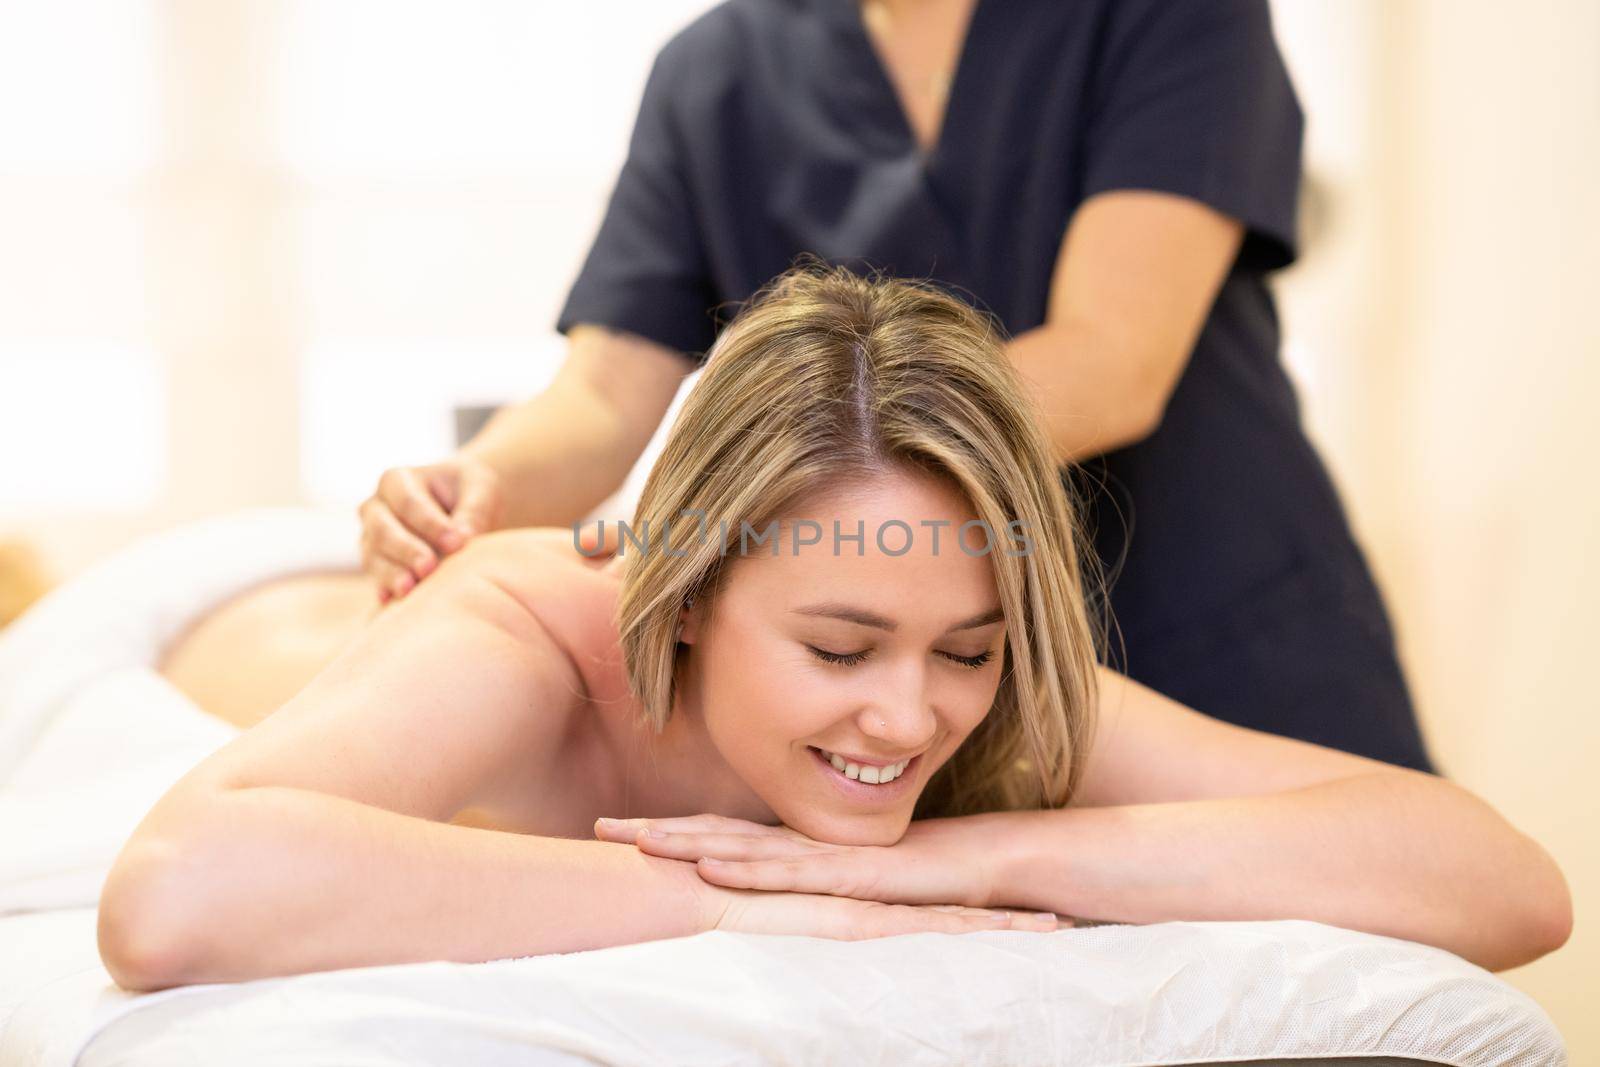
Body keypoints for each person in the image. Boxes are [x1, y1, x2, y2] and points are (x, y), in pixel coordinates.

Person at [101, 266, 1569, 994]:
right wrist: (740, 897)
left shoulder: (983, 685)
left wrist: (972, 854)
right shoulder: (532, 625)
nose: (912, 716)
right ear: (685, 587)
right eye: (839, 646)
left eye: (967, 646)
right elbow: (171, 894)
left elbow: (1503, 882)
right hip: (223, 631)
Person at [357, 0, 1435, 773]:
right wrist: (480, 482)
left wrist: (775, 491)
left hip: (1213, 615)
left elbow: (1114, 360)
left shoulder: (1164, 16)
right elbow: (603, 391)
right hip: (921, 695)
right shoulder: (717, 71)